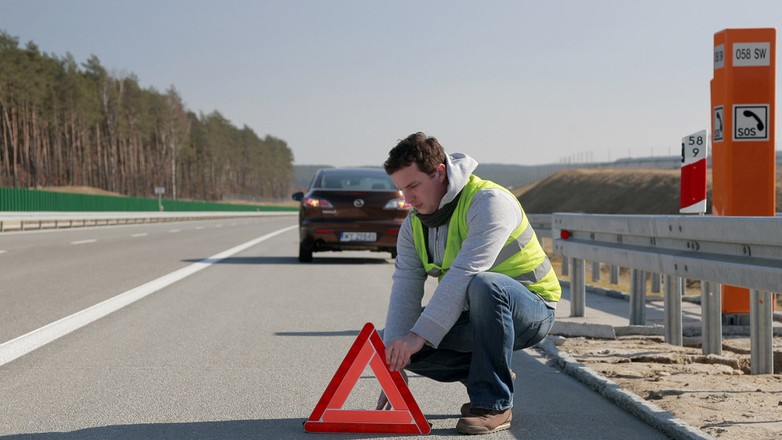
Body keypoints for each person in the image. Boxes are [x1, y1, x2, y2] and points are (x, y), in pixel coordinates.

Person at [377, 132, 561, 435]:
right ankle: (491, 373)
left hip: (531, 309)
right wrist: (393, 367)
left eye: (413, 186)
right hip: (476, 314)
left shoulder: (488, 202)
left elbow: (465, 273)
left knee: (485, 285)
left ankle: (494, 404)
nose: (407, 199)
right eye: (400, 189)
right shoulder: (413, 225)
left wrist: (418, 335)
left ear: (439, 172)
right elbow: (405, 288)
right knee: (393, 342)